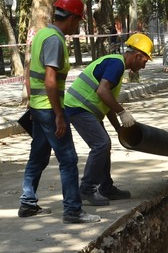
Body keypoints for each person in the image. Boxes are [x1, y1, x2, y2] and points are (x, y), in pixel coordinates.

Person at [19, 0, 100, 224]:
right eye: (79, 22)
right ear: (72, 18)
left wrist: (34, 104)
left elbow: (28, 73)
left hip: (38, 107)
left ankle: (27, 203)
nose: (78, 26)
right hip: (49, 108)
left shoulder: (42, 35)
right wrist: (58, 116)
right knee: (68, 159)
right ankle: (73, 210)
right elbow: (50, 80)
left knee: (38, 156)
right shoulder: (54, 40)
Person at [64, 32, 153, 206]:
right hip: (79, 107)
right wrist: (122, 112)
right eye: (144, 61)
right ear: (137, 55)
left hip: (86, 108)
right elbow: (102, 92)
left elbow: (107, 102)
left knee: (105, 144)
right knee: (101, 144)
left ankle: (106, 187)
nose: (144, 66)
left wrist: (119, 128)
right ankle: (87, 188)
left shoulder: (116, 65)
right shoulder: (116, 64)